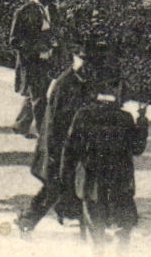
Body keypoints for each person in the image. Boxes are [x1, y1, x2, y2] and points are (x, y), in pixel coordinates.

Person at [16, 38, 102, 234]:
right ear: (75, 60)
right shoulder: (64, 84)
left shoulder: (85, 82)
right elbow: (53, 123)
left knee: (70, 184)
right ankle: (26, 221)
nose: (86, 65)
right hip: (58, 145)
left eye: (89, 61)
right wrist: (54, 152)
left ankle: (71, 216)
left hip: (73, 144)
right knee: (54, 187)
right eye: (82, 60)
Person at [61, 68, 148, 254]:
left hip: (90, 182)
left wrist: (66, 180)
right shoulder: (125, 118)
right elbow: (137, 148)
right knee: (122, 228)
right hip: (119, 182)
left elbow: (70, 151)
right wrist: (142, 121)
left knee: (94, 228)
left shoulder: (83, 115)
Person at [9, 0, 62, 137]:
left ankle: (21, 124)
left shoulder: (52, 10)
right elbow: (14, 40)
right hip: (31, 61)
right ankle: (43, 132)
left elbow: (55, 30)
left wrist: (54, 44)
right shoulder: (24, 12)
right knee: (39, 98)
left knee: (37, 93)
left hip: (48, 60)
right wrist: (36, 50)